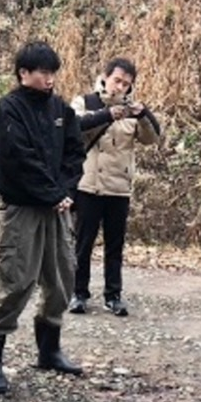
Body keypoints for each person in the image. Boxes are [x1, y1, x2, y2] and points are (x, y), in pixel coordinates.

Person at [0, 41, 87, 394]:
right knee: (14, 280)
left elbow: (75, 153)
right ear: (23, 73)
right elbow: (16, 158)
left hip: (58, 209)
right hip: (22, 208)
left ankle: (49, 351)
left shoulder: (60, 109)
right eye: (43, 72)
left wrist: (66, 191)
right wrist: (52, 192)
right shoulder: (7, 109)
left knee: (61, 278)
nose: (49, 78)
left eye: (53, 72)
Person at [67, 57, 162, 317]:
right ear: (105, 77)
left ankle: (113, 295)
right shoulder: (85, 102)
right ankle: (78, 293)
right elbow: (73, 126)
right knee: (83, 244)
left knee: (115, 246)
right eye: (116, 80)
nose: (120, 87)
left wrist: (143, 115)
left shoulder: (132, 111)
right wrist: (106, 114)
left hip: (119, 187)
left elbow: (152, 138)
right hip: (89, 185)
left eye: (126, 83)